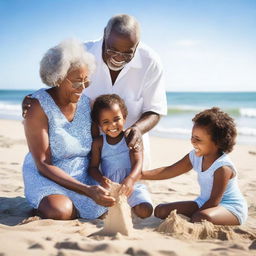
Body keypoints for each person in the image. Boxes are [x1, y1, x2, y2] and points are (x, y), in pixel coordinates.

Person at [22, 14, 167, 169]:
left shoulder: (151, 62)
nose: (118, 58)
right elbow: (58, 82)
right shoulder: (80, 53)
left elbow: (155, 109)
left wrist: (138, 129)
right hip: (87, 155)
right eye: (112, 51)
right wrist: (39, 98)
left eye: (127, 54)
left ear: (137, 45)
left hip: (129, 152)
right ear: (104, 34)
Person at [22, 39, 116, 220]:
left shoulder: (88, 105)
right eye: (76, 82)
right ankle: (43, 205)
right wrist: (88, 191)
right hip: (48, 174)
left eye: (86, 82)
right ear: (57, 79)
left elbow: (100, 144)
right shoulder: (37, 106)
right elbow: (43, 163)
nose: (82, 89)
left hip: (82, 175)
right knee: (60, 211)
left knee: (110, 207)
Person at [141, 107, 248, 225]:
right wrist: (140, 175)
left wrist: (191, 220)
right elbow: (170, 170)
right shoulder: (195, 157)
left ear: (217, 142)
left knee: (200, 217)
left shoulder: (222, 168)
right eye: (192, 136)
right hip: (203, 202)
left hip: (230, 209)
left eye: (198, 139)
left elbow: (214, 202)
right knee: (160, 210)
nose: (192, 141)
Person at [89, 94, 153, 218]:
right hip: (110, 187)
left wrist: (130, 180)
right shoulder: (98, 143)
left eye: (116, 119)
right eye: (105, 122)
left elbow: (138, 163)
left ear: (124, 118)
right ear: (99, 124)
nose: (112, 125)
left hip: (131, 185)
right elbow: (92, 168)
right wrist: (102, 180)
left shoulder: (131, 138)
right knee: (99, 212)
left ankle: (130, 206)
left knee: (145, 211)